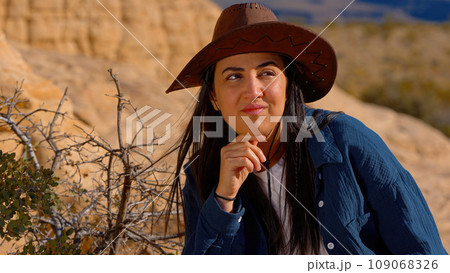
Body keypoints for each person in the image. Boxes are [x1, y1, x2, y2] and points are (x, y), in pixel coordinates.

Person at [164, 3, 447, 255]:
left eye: (266, 73)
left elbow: (424, 253)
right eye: (234, 76)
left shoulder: (345, 141)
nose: (253, 91)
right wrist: (224, 197)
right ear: (213, 96)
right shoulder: (204, 173)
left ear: (288, 86)